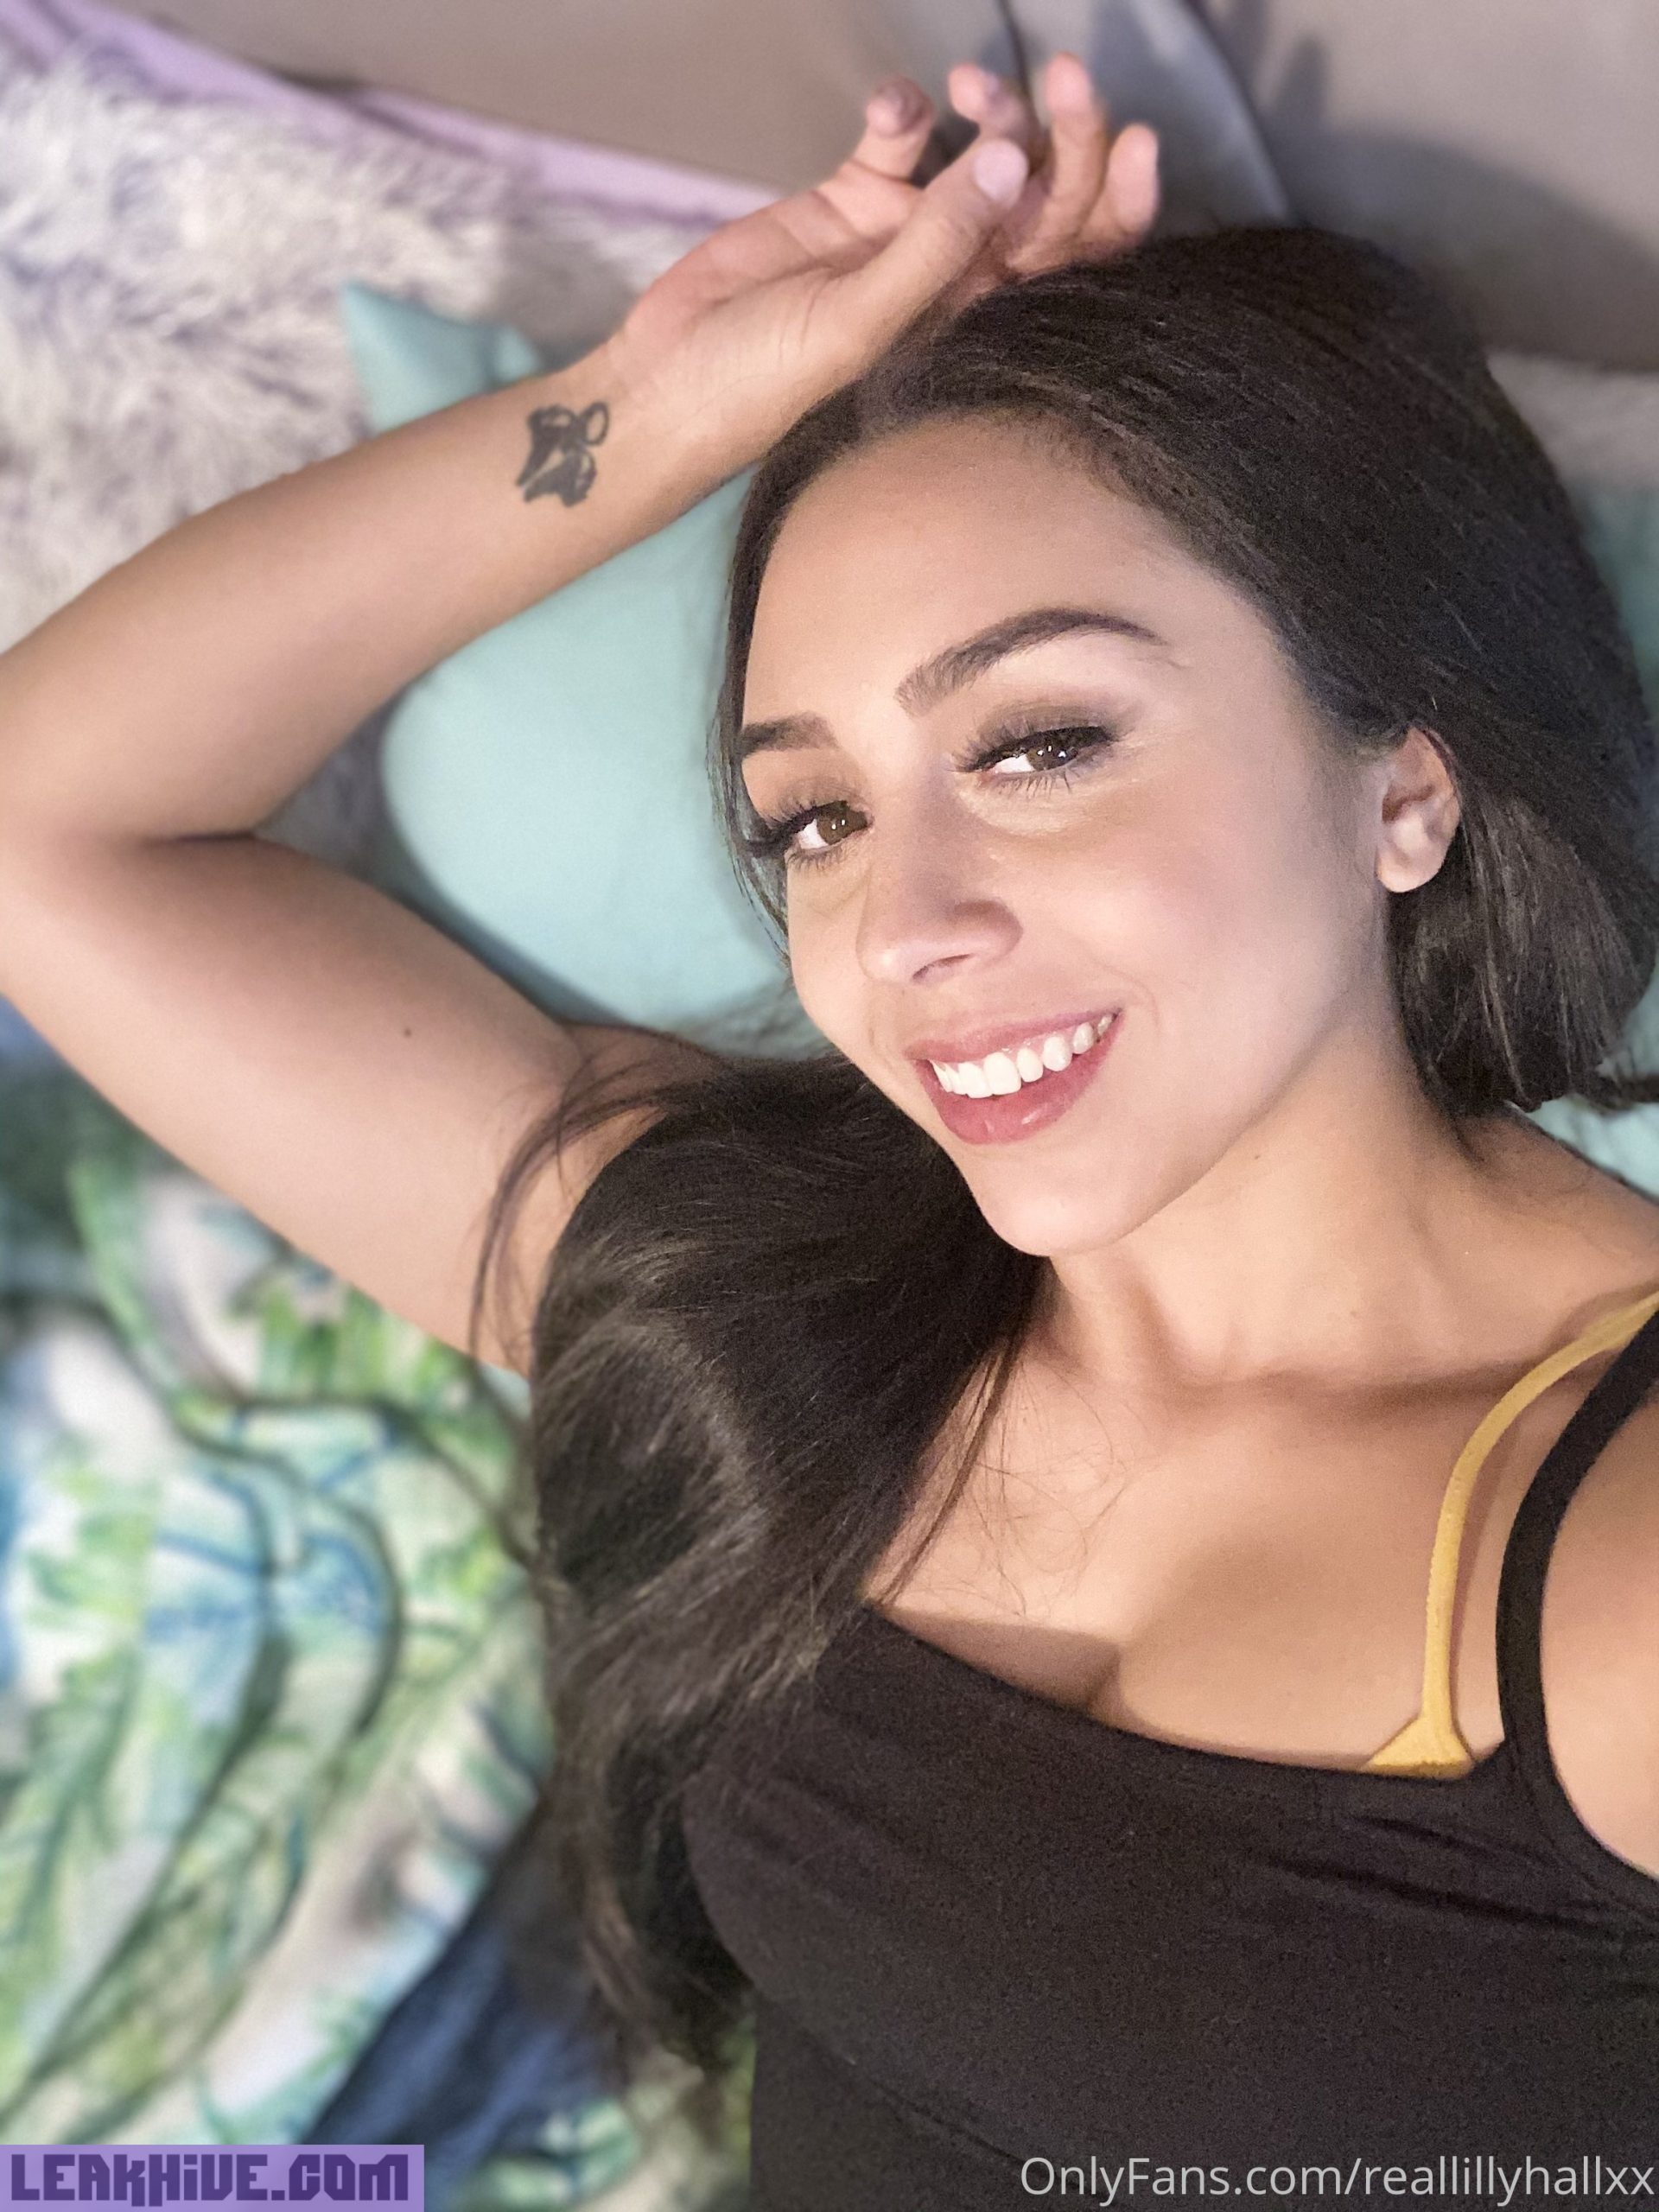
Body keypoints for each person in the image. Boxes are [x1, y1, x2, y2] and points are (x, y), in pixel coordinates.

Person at [1, 48, 1656, 2208]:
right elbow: (55, 825)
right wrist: (653, 402)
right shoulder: (772, 1315)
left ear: (1403, 787)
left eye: (1043, 741)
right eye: (815, 817)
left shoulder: (1613, 1560)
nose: (907, 925)